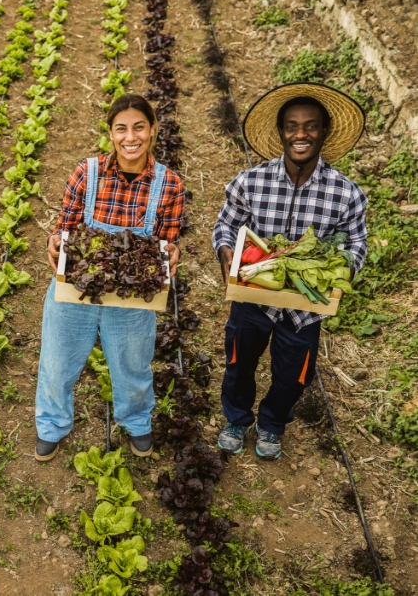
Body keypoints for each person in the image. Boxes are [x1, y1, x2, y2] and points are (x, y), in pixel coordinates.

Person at [212, 82, 367, 460]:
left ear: (324, 132)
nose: (301, 134)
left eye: (311, 125)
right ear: (281, 132)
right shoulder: (251, 181)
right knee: (239, 362)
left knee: (294, 375)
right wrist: (227, 252)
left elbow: (355, 245)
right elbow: (225, 226)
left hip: (305, 304)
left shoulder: (346, 193)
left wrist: (342, 269)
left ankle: (272, 423)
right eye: (292, 126)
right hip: (254, 293)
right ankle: (236, 417)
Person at [35, 93, 186, 462]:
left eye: (139, 127)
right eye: (121, 129)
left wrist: (172, 253)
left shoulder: (169, 185)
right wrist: (55, 243)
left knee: (132, 363)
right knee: (57, 360)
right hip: (77, 288)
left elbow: (169, 241)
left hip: (133, 297)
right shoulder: (87, 173)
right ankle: (52, 424)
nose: (130, 137)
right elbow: (64, 228)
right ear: (110, 133)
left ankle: (136, 421)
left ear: (152, 130)